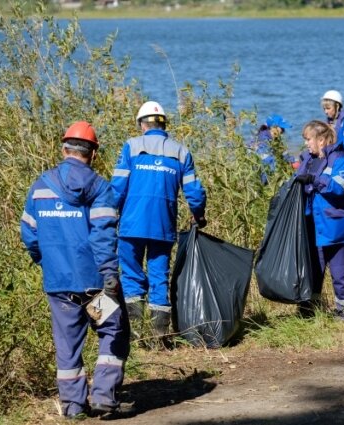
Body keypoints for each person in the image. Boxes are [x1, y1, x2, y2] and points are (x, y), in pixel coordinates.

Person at [20, 121, 131, 419]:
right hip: (94, 286)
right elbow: (103, 236)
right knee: (111, 329)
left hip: (59, 286)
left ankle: (72, 406)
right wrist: (110, 276)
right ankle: (104, 397)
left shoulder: (40, 186)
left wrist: (48, 262)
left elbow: (29, 235)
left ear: (63, 148)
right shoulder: (99, 188)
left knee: (67, 344)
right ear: (93, 154)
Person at [111, 100, 207, 340]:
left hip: (131, 225)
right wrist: (199, 214)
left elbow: (117, 188)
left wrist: (109, 215)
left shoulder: (131, 147)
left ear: (142, 124)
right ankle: (158, 337)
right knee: (159, 277)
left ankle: (134, 335)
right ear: (164, 125)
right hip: (163, 226)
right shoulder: (181, 151)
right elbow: (194, 192)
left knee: (131, 276)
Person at [294, 120, 344, 320]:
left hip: (339, 227)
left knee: (340, 274)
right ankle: (309, 312)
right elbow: (299, 183)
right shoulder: (308, 159)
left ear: (322, 140)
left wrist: (315, 180)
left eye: (309, 139)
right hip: (315, 227)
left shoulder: (341, 159)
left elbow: (339, 188)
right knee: (313, 271)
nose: (307, 144)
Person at [247, 114, 299, 185]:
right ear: (273, 128)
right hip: (261, 174)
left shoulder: (275, 139)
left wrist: (293, 161)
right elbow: (269, 160)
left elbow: (284, 154)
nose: (283, 132)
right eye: (282, 129)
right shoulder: (263, 139)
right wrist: (288, 164)